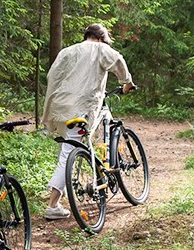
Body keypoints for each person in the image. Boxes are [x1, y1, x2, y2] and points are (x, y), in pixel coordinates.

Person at [40, 23, 134, 218]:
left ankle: (64, 189)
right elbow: (117, 60)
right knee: (68, 154)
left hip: (59, 107)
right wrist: (127, 83)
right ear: (100, 39)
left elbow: (52, 76)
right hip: (80, 108)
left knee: (66, 151)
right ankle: (53, 204)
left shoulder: (67, 51)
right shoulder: (100, 48)